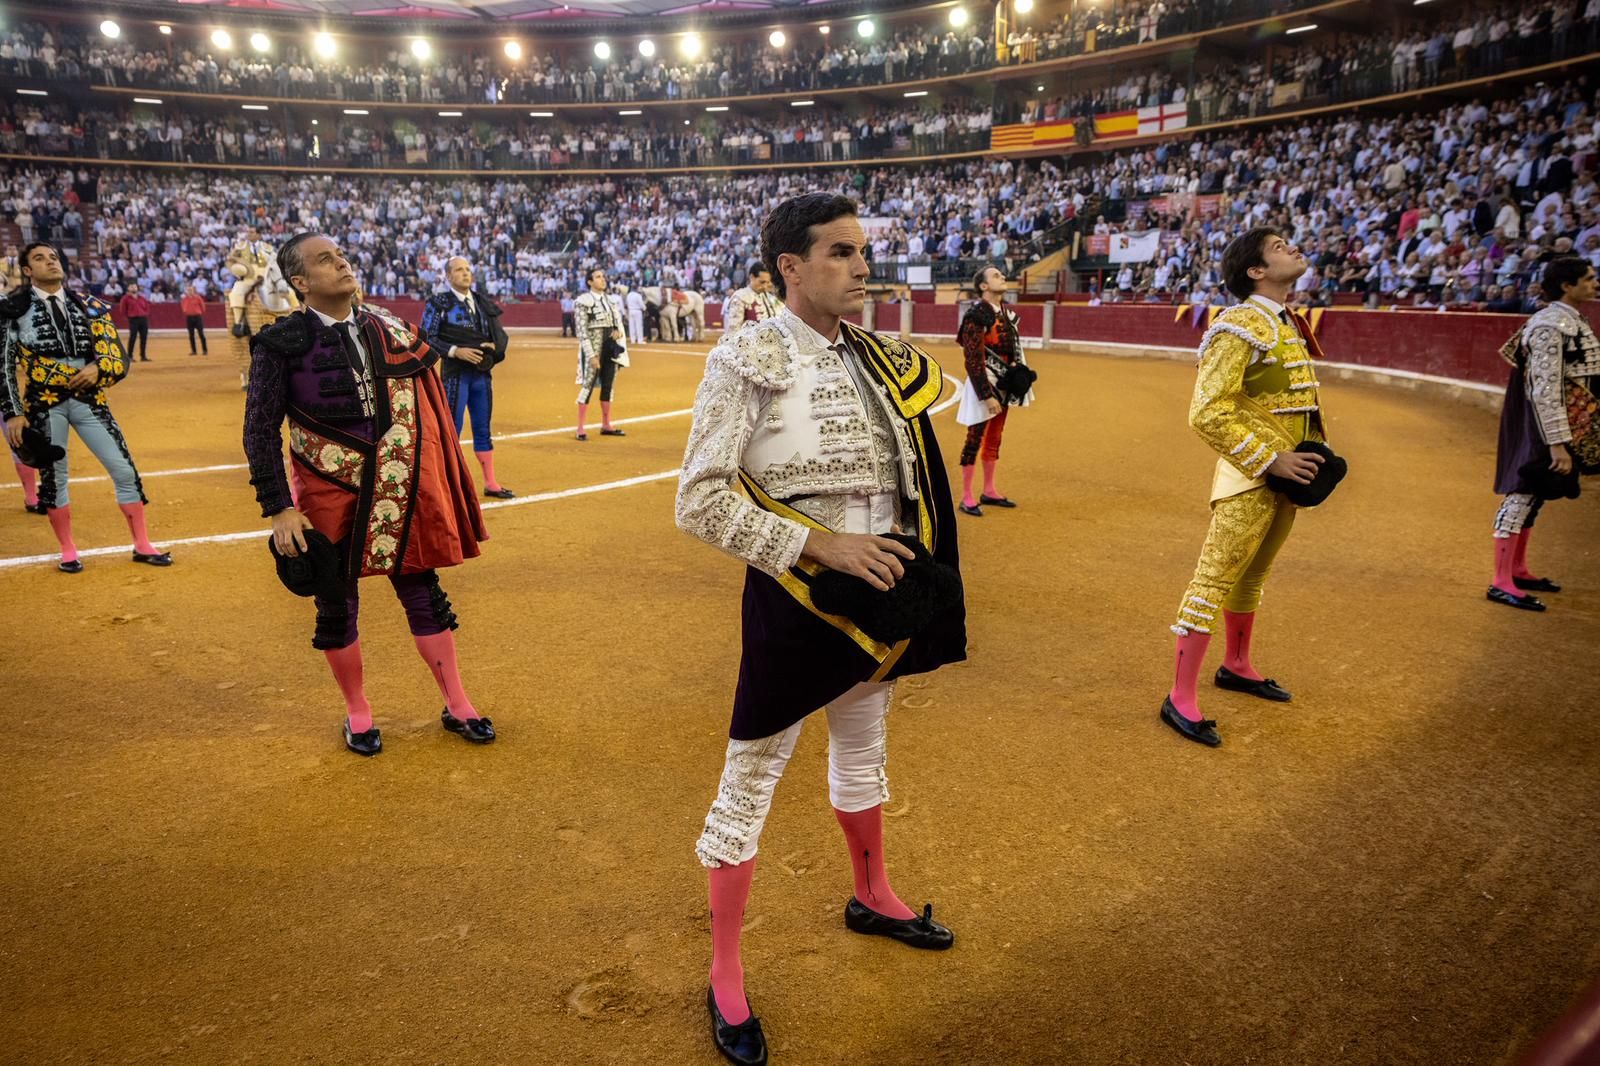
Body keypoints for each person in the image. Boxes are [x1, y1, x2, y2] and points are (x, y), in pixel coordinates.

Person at [676, 193, 967, 1065]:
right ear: (789, 269)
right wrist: (819, 545)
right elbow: (698, 499)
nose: (861, 266)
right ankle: (726, 972)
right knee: (750, 778)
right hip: (798, 595)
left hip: (881, 594)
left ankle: (870, 893)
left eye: (862, 250)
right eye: (840, 252)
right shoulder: (747, 357)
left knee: (865, 745)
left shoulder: (881, 358)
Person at [242, 233, 493, 756]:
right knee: (336, 602)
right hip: (325, 485)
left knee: (422, 587)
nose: (342, 263)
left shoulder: (390, 326)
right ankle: (358, 711)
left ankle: (458, 702)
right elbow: (260, 429)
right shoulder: (278, 342)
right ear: (300, 282)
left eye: (342, 255)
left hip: (396, 481)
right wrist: (278, 507)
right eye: (326, 260)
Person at [1161, 228, 1333, 748]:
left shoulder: (1282, 323)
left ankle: (1236, 664)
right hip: (1251, 475)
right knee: (1212, 580)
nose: (1294, 248)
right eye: (1279, 246)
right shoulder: (1238, 324)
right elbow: (1207, 411)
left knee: (1253, 574)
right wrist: (1270, 459)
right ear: (1255, 271)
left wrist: (1309, 459)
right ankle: (1179, 697)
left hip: (1289, 472)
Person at [0, 242, 171, 573]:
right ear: (26, 271)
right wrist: (14, 413)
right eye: (40, 259)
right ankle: (67, 549)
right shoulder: (12, 310)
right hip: (43, 404)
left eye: (53, 257)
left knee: (123, 469)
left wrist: (98, 367)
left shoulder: (89, 306)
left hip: (90, 399)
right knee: (54, 477)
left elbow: (117, 358)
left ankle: (142, 544)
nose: (51, 262)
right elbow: (4, 367)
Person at [1486, 255, 1600, 611]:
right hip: (1541, 424)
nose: (1595, 283)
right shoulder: (1551, 326)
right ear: (1567, 286)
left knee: (1535, 495)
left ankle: (1517, 569)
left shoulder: (1565, 319)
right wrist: (1557, 443)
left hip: (1551, 422)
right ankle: (1500, 580)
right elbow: (1545, 389)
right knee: (1522, 492)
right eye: (1589, 278)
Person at [421, 256, 514, 499]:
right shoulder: (439, 302)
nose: (465, 273)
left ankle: (491, 483)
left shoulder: (483, 303)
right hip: (455, 374)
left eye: (468, 269)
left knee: (483, 427)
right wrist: (455, 350)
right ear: (449, 276)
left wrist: (492, 348)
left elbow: (500, 338)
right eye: (459, 270)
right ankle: (450, 485)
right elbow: (427, 337)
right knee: (453, 429)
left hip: (481, 374)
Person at [954, 266, 1032, 516]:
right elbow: (973, 358)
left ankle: (989, 490)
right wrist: (985, 395)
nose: (1003, 277)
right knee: (974, 438)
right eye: (996, 275)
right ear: (984, 286)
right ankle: (966, 496)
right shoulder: (976, 315)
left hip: (1004, 384)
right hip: (984, 386)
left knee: (995, 438)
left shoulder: (1006, 314)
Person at [226, 227, 294, 378]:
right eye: (248, 232)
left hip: (267, 278)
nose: (248, 234)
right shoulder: (240, 247)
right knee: (237, 291)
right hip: (249, 279)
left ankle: (295, 315)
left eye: (251, 232)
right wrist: (237, 270)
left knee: (290, 293)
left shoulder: (268, 248)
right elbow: (230, 261)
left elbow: (277, 264)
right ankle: (239, 324)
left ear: (258, 234)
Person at [573, 267, 626, 441]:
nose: (602, 279)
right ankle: (580, 428)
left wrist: (617, 331)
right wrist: (591, 355)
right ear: (590, 282)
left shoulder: (610, 301)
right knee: (588, 385)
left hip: (610, 348)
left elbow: (617, 323)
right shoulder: (583, 301)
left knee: (608, 385)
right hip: (594, 349)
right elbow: (582, 331)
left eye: (603, 276)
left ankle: (606, 424)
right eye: (598, 277)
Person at [117, 283, 151, 362]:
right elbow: (123, 310)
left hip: (143, 319)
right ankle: (129, 356)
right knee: (132, 337)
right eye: (131, 286)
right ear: (128, 288)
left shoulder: (142, 298)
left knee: (144, 338)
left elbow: (147, 307)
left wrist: (145, 314)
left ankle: (143, 356)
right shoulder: (125, 299)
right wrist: (129, 317)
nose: (133, 288)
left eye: (135, 286)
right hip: (133, 319)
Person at [180, 285, 208, 355]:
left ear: (193, 291)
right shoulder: (184, 299)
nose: (190, 291)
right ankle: (194, 351)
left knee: (201, 334)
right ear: (187, 291)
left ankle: (205, 350)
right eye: (188, 290)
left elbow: (203, 307)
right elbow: (183, 309)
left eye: (191, 290)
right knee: (191, 335)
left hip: (197, 317)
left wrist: (199, 312)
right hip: (189, 318)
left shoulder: (198, 298)